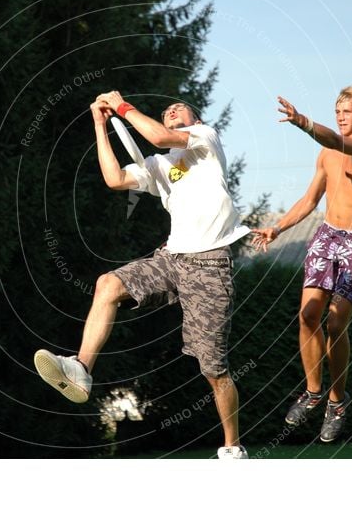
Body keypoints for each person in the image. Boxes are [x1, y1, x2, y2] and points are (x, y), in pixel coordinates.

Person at [34, 90, 251, 459]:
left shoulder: (206, 139)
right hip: (172, 259)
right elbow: (115, 179)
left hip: (211, 267)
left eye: (179, 107)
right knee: (108, 285)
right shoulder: (162, 167)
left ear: (195, 120)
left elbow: (159, 136)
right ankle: (81, 368)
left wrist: (122, 105)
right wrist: (100, 125)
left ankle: (232, 448)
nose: (170, 110)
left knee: (214, 369)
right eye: (166, 110)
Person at [252, 84, 352, 443]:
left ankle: (337, 401)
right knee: (308, 314)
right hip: (327, 237)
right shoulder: (327, 156)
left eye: (348, 110)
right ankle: (313, 393)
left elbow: (339, 142)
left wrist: (302, 122)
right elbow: (310, 199)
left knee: (336, 321)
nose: (340, 116)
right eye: (337, 110)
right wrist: (277, 228)